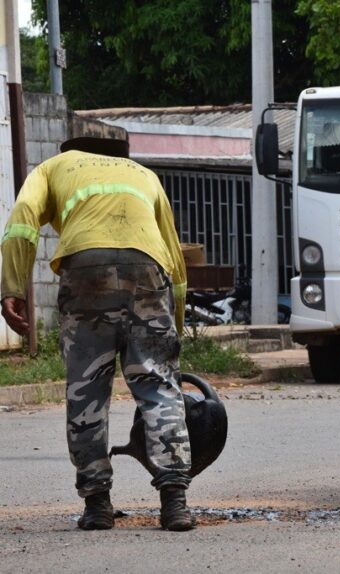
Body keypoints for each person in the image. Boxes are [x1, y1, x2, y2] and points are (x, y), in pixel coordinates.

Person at [0, 137, 195, 530]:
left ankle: (97, 505)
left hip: (85, 266)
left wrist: (12, 287)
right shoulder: (144, 174)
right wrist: (173, 329)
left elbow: (22, 220)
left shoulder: (54, 167)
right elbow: (174, 256)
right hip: (147, 267)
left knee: (87, 389)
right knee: (158, 385)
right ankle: (174, 502)